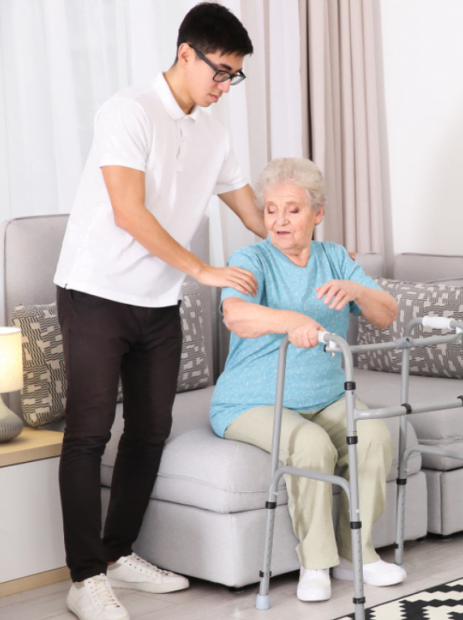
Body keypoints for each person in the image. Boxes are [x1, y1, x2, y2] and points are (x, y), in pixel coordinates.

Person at [53, 4, 266, 619]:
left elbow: (250, 211)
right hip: (95, 292)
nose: (225, 86)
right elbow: (129, 210)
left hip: (157, 301)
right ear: (185, 54)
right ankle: (84, 576)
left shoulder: (214, 134)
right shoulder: (127, 111)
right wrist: (201, 269)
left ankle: (119, 556)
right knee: (89, 434)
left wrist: (300, 225)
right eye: (220, 72)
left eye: (234, 77)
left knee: (150, 433)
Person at [209, 157, 404, 603]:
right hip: (252, 401)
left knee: (372, 433)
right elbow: (234, 313)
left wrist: (358, 291)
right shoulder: (250, 258)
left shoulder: (335, 257)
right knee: (312, 444)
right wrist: (289, 320)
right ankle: (315, 562)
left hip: (325, 394)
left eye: (292, 209)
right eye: (271, 209)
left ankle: (358, 552)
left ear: (316, 214)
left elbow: (386, 313)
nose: (279, 220)